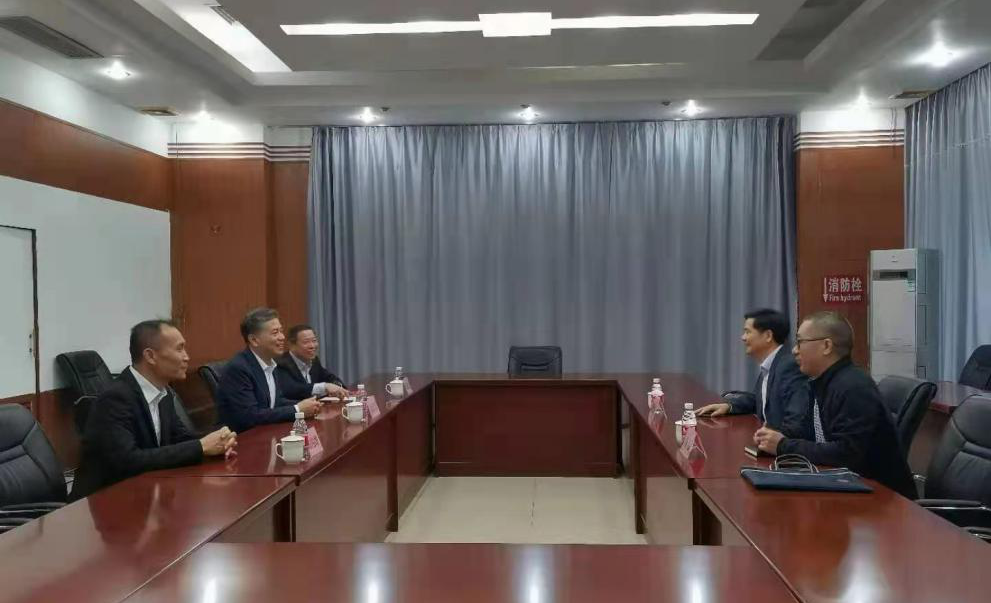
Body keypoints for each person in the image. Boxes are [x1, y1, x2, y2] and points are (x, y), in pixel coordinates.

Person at [753, 311, 916, 499]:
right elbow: (806, 430)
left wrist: (783, 446)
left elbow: (846, 454)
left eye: (800, 342)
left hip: (882, 500)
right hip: (845, 487)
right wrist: (774, 437)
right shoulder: (818, 383)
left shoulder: (853, 387)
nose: (794, 350)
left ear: (826, 346)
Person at [71, 320, 236, 500]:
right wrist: (201, 446)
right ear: (150, 356)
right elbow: (127, 460)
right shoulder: (115, 398)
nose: (186, 357)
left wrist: (217, 441)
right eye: (179, 349)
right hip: (104, 501)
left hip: (145, 493)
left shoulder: (163, 393)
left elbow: (180, 438)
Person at [695, 309, 808, 436]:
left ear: (768, 336)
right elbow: (760, 401)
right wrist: (729, 407)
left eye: (748, 332)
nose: (743, 338)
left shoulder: (789, 366)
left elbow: (796, 421)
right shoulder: (775, 362)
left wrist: (775, 441)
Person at [217, 307, 322, 433]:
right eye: (275, 333)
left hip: (268, 433)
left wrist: (307, 404)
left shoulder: (271, 363)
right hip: (244, 439)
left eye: (281, 331)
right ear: (254, 340)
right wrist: (297, 409)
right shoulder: (239, 369)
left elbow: (276, 402)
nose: (282, 337)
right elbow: (250, 416)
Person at [276, 324, 348, 401]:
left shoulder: (314, 360)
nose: (312, 346)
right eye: (306, 342)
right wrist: (324, 387)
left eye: (314, 341)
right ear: (291, 345)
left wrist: (338, 387)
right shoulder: (281, 364)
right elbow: (292, 389)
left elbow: (330, 378)